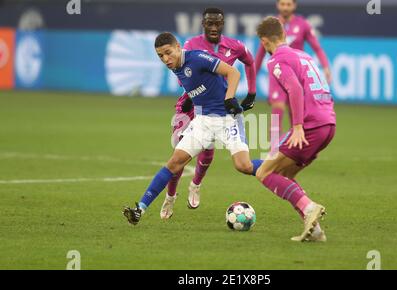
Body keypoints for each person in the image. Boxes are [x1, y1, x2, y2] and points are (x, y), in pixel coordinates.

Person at [123, 32, 262, 225]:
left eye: (168, 53)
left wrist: (230, 99)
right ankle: (140, 209)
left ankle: (277, 166)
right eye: (160, 56)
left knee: (243, 166)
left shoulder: (197, 57)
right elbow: (201, 85)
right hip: (203, 121)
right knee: (174, 163)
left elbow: (233, 73)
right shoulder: (175, 67)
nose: (165, 59)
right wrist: (190, 99)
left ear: (178, 47)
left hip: (227, 118)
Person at [161, 7, 257, 219]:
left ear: (223, 24)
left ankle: (195, 184)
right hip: (191, 103)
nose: (214, 27)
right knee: (178, 156)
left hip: (217, 106)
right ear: (203, 24)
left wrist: (251, 92)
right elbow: (183, 76)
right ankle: (170, 196)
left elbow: (249, 63)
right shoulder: (191, 45)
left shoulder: (235, 46)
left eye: (218, 23)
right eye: (209, 23)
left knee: (208, 152)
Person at [255, 16, 336, 242]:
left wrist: (298, 126)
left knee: (265, 172)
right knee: (285, 175)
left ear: (264, 42)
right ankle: (315, 231)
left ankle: (309, 207)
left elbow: (296, 90)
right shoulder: (303, 55)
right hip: (328, 123)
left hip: (310, 125)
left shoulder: (276, 60)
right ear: (284, 35)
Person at [255, 0, 331, 150]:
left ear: (294, 6)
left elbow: (317, 47)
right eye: (282, 4)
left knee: (295, 111)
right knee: (277, 108)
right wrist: (252, 77)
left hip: (296, 74)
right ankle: (274, 149)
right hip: (278, 72)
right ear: (278, 5)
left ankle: (296, 144)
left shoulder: (303, 24)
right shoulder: (272, 26)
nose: (285, 7)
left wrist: (326, 66)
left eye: (288, 4)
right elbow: (260, 54)